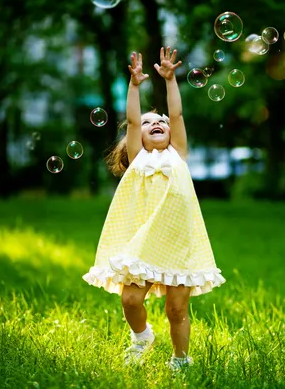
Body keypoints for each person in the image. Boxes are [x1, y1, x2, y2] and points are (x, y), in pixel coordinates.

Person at [83, 47, 226, 370]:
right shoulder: (139, 158)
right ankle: (142, 335)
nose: (157, 123)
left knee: (177, 309)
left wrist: (171, 80)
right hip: (143, 242)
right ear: (137, 138)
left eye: (161, 121)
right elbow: (133, 119)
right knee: (130, 299)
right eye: (149, 123)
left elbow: (176, 115)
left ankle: (180, 359)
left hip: (179, 242)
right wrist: (134, 85)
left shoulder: (178, 154)